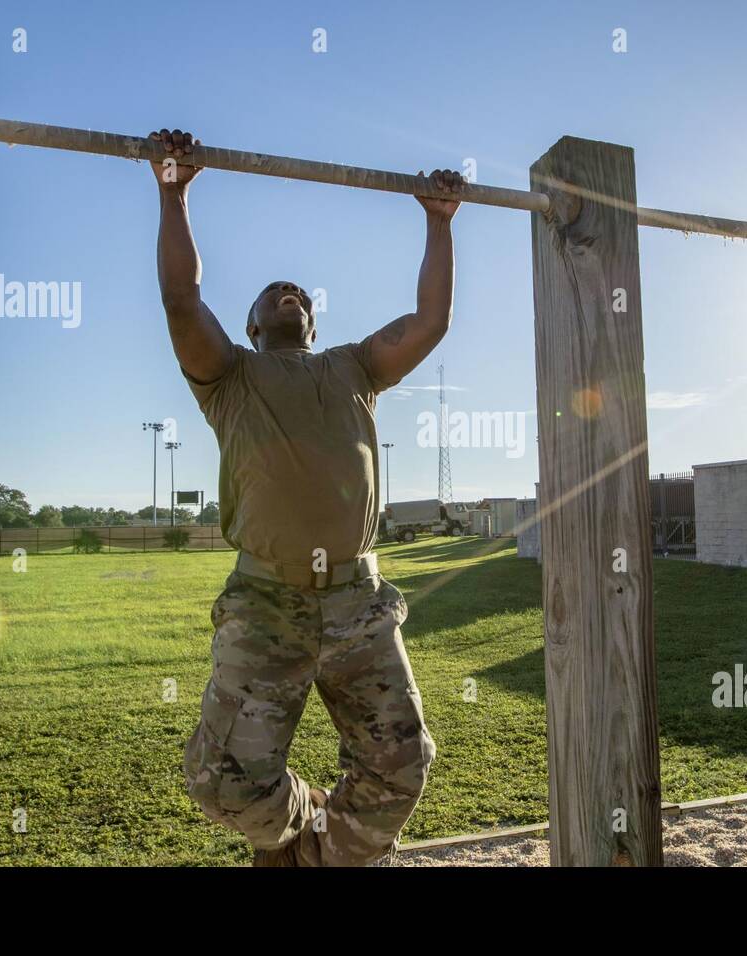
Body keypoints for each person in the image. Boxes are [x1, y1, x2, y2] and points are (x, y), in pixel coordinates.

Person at [150, 127, 462, 865]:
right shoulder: (229, 378)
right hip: (266, 604)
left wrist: (438, 223)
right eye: (271, 294)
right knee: (220, 781)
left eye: (298, 293)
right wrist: (174, 191)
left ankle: (315, 857)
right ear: (254, 326)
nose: (287, 292)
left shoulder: (352, 368)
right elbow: (180, 298)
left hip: (358, 602)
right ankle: (303, 819)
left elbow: (430, 322)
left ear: (312, 322)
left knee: (403, 765)